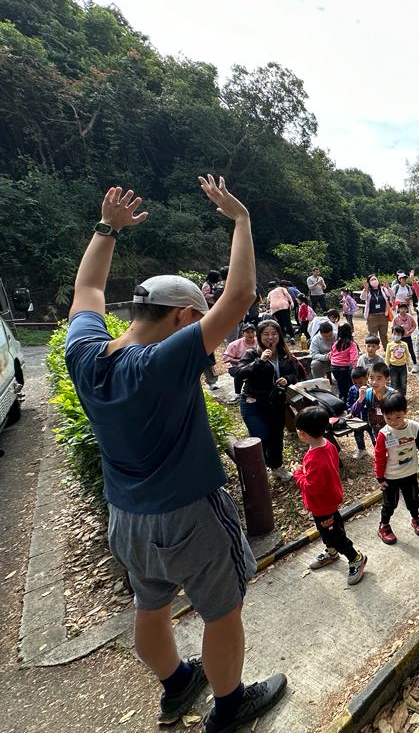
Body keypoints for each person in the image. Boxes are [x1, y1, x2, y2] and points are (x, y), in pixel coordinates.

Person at [63, 178, 286, 730]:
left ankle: (179, 684)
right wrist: (241, 219)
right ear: (185, 318)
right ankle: (230, 706)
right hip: (189, 515)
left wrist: (107, 228)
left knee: (151, 606)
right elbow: (240, 295)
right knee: (223, 608)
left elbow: (86, 289)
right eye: (199, 321)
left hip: (126, 518)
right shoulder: (162, 363)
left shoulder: (85, 355)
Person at [290, 407, 369, 579]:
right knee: (327, 531)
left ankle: (355, 558)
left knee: (335, 536)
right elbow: (321, 475)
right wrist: (305, 471)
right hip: (328, 499)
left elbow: (311, 487)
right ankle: (332, 552)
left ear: (302, 433)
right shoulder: (326, 444)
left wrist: (298, 473)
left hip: (323, 505)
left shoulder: (315, 458)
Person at [235, 320, 303, 479]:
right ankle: (259, 467)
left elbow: (295, 374)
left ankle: (276, 466)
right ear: (259, 336)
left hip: (276, 402)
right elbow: (240, 374)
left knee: (276, 435)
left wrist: (287, 379)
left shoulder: (284, 353)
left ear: (279, 335)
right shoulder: (251, 354)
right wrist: (260, 361)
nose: (270, 337)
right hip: (253, 403)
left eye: (274, 334)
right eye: (266, 334)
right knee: (261, 436)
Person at [373, 393, 419, 544]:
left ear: (405, 412)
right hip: (391, 476)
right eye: (388, 418)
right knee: (390, 503)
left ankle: (415, 518)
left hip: (410, 472)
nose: (393, 422)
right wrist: (380, 477)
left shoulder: (414, 427)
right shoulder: (384, 434)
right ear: (383, 415)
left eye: (398, 417)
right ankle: (384, 525)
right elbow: (379, 457)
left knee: (413, 498)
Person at [351, 361, 396, 444]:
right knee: (379, 447)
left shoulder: (393, 394)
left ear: (387, 379)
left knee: (392, 449)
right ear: (367, 379)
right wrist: (360, 398)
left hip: (391, 430)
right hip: (375, 429)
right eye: (371, 378)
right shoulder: (367, 393)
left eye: (379, 378)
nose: (374, 382)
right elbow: (354, 412)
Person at [224, 324, 258, 398]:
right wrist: (240, 361)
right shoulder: (234, 344)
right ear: (243, 333)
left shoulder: (259, 342)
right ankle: (237, 393)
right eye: (247, 332)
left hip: (255, 364)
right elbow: (226, 358)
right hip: (237, 366)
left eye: (252, 332)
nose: (250, 334)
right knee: (241, 373)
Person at [328, 322, 359, 400]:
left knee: (340, 385)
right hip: (345, 368)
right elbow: (354, 359)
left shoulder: (336, 343)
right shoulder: (352, 344)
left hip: (334, 367)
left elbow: (331, 355)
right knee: (349, 386)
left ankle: (341, 398)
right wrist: (355, 369)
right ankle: (348, 400)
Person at [345, 366, 370, 459]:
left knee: (374, 435)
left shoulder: (371, 389)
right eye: (355, 383)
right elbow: (349, 402)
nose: (358, 385)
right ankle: (361, 449)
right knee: (358, 435)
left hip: (369, 418)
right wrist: (350, 411)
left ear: (366, 378)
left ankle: (378, 449)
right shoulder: (352, 389)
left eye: (360, 382)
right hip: (357, 418)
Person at [361, 275, 393, 346]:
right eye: (372, 280)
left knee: (384, 335)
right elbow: (362, 298)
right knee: (373, 336)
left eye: (375, 279)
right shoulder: (368, 291)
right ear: (369, 282)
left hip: (383, 316)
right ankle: (372, 351)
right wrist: (365, 289)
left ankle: (386, 349)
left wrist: (388, 287)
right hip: (372, 317)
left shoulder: (383, 289)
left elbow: (392, 294)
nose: (374, 281)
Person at [385, 324, 411, 396]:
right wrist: (387, 366)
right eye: (394, 333)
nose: (396, 336)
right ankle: (393, 397)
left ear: (402, 335)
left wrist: (409, 364)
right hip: (393, 367)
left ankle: (402, 396)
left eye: (398, 334)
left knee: (403, 382)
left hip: (403, 366)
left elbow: (407, 355)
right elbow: (387, 356)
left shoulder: (404, 344)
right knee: (393, 382)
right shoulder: (389, 345)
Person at [392, 302, 418, 371]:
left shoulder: (409, 317)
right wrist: (396, 334)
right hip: (399, 338)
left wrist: (410, 331)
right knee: (399, 350)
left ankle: (415, 364)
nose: (403, 310)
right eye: (401, 308)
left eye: (404, 308)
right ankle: (401, 363)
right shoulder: (396, 318)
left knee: (411, 350)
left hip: (408, 337)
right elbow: (393, 328)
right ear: (399, 309)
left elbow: (414, 325)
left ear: (407, 309)